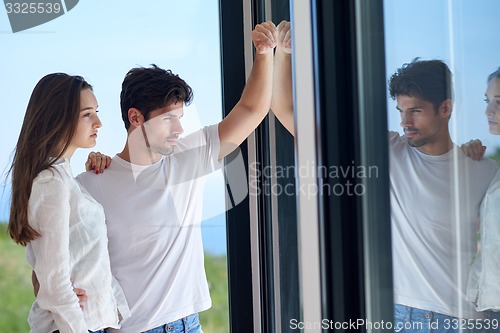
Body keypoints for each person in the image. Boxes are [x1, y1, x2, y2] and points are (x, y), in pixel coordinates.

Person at [270, 21, 497, 332]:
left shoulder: (484, 170)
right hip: (400, 315)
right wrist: (282, 55)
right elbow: (287, 111)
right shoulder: (385, 150)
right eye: (400, 110)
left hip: (467, 320)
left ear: (446, 108)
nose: (405, 121)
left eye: (415, 110)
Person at [69, 21, 277, 333]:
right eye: (168, 119)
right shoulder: (90, 185)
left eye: (179, 118)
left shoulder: (186, 158)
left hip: (188, 326)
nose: (178, 130)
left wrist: (264, 54)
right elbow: (67, 264)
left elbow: (251, 110)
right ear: (135, 117)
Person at [7, 73, 130, 333]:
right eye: (87, 114)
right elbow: (54, 286)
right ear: (58, 117)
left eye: (96, 111)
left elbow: (89, 266)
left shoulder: (63, 178)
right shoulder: (51, 182)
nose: (99, 122)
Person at [466, 67, 500, 330]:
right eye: (487, 101)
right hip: (488, 307)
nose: (488, 111)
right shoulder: (495, 171)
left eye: (499, 102)